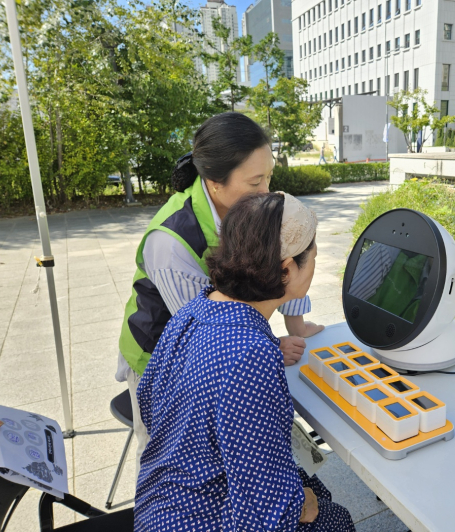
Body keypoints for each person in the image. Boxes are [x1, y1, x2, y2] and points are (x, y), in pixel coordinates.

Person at [117, 113, 324, 475]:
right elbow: (207, 337)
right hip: (161, 353)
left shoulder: (247, 211)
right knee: (164, 454)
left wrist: (297, 327)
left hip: (219, 345)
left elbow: (286, 256)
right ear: (214, 181)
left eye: (269, 177)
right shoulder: (172, 241)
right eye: (255, 181)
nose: (266, 191)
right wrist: (268, 349)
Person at [135, 192, 355, 531]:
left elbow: (148, 399)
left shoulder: (195, 310)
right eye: (311, 256)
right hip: (203, 518)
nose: (314, 263)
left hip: (158, 504)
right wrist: (301, 504)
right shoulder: (250, 355)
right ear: (285, 271)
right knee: (333, 517)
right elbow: (269, 509)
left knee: (310, 487)